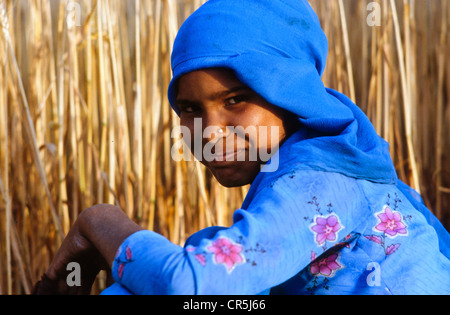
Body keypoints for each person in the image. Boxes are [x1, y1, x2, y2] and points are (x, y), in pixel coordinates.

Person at [34, 0, 450, 295]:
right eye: (190, 109)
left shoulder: (318, 185)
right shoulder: (320, 162)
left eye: (235, 100)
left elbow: (188, 285)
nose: (210, 132)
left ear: (291, 95)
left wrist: (99, 223)